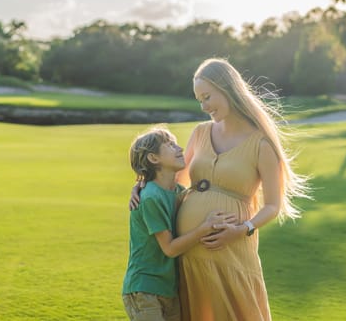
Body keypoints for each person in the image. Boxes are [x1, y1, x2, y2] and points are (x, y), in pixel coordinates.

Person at [130, 58, 309, 321]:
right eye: (199, 100)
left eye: (207, 97)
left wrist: (241, 230)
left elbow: (273, 205)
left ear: (227, 88)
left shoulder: (261, 144)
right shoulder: (201, 133)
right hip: (191, 254)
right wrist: (141, 184)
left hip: (232, 250)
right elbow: (171, 180)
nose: (204, 107)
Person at [122, 125, 237, 321]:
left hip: (169, 288)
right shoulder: (150, 197)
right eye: (170, 145)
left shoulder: (178, 192)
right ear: (153, 158)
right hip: (145, 288)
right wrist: (206, 227)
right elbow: (170, 249)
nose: (180, 149)